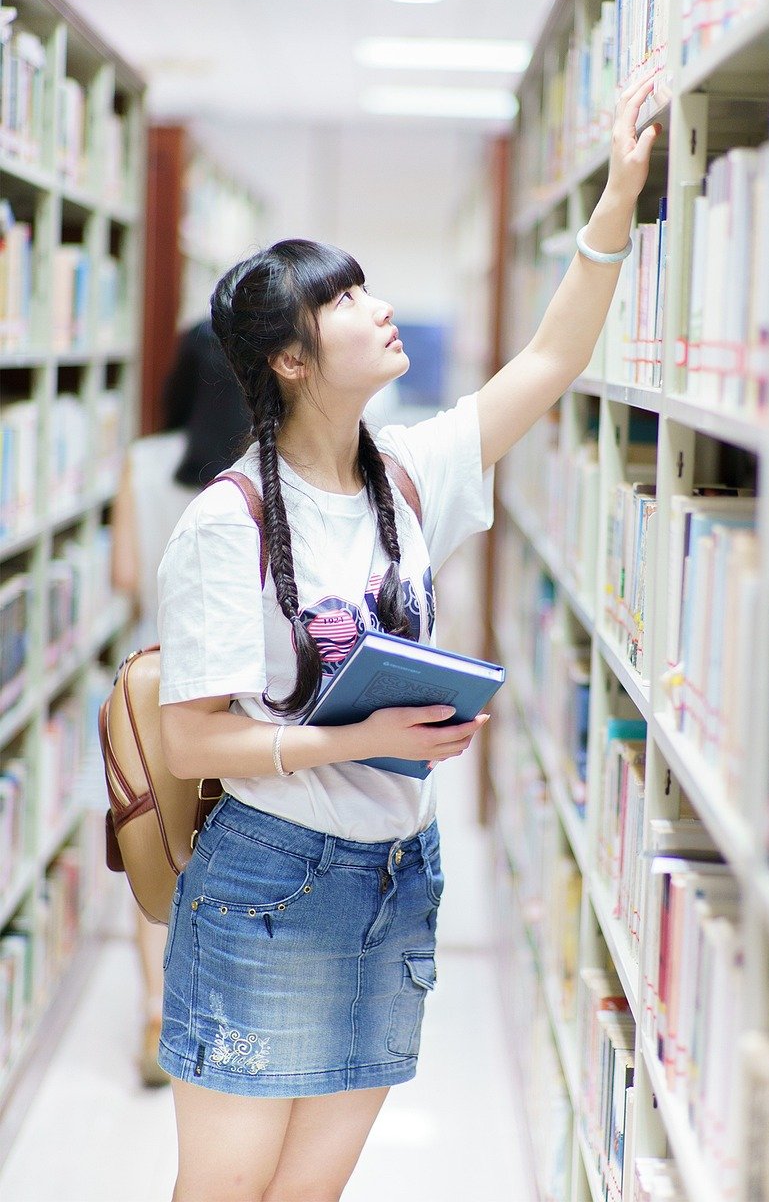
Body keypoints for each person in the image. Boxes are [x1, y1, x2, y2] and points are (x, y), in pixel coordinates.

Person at [155, 78, 660, 1202]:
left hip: (398, 873)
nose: (379, 306)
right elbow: (190, 744)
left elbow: (549, 360)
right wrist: (359, 733)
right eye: (346, 299)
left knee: (310, 1191)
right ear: (290, 358)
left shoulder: (412, 472)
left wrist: (620, 195)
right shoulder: (223, 522)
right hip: (269, 882)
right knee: (227, 1190)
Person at [110, 318, 250, 1085]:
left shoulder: (143, 461)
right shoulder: (258, 475)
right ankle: (218, 1012)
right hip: (236, 702)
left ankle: (156, 1012)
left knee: (154, 846)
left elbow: (126, 575)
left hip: (152, 693)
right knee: (225, 850)